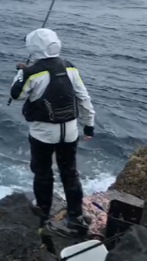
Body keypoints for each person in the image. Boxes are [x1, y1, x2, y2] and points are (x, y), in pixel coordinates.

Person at [10, 28, 95, 231]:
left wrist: (20, 73)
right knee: (70, 172)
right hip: (70, 131)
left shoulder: (30, 72)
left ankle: (43, 212)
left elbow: (16, 95)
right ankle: (75, 216)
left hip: (43, 133)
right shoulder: (70, 67)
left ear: (33, 47)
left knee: (42, 172)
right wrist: (89, 124)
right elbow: (84, 97)